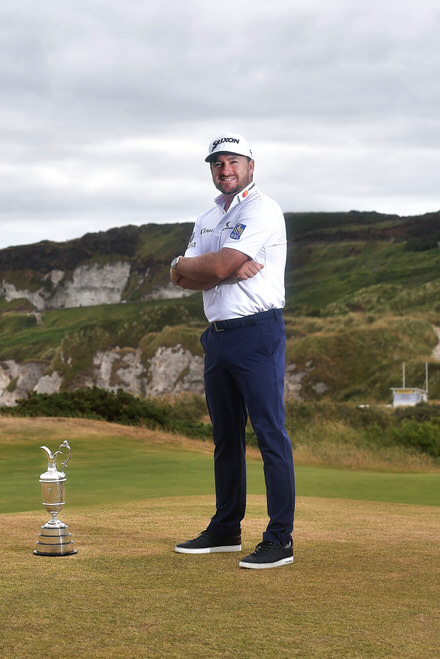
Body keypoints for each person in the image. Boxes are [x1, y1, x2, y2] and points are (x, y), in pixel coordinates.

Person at [169, 133, 295, 569]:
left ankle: (280, 539)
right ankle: (226, 529)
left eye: (233, 162)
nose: (225, 169)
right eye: (218, 163)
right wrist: (211, 269)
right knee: (225, 438)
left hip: (257, 332)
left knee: (268, 434)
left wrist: (210, 268)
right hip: (217, 335)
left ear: (250, 166)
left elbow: (210, 267)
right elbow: (179, 276)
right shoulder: (207, 217)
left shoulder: (262, 208)